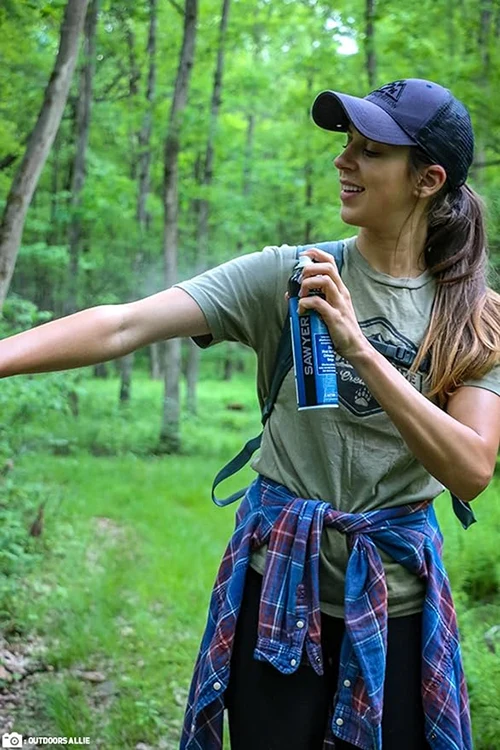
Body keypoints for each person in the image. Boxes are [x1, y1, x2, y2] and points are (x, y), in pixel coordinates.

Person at [1, 78, 499, 749]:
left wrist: (357, 346)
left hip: (397, 609)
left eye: (370, 151)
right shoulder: (290, 274)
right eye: (345, 144)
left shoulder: (475, 315)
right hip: (278, 600)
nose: (342, 161)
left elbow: (471, 467)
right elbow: (123, 325)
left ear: (427, 179)